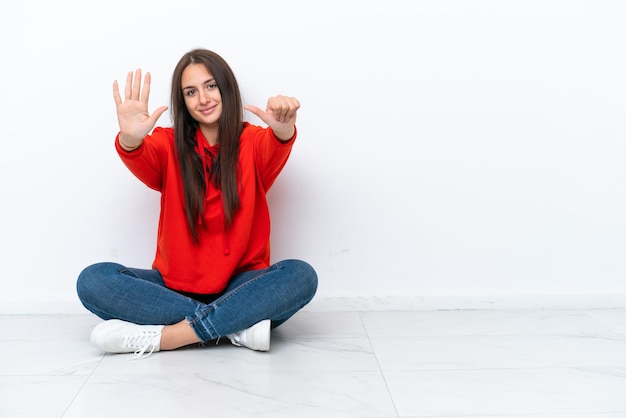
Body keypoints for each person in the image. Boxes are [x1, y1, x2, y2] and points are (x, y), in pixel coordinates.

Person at [76, 48, 318, 358]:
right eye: (191, 92)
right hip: (172, 288)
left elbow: (278, 140)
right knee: (93, 280)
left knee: (301, 276)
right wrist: (131, 138)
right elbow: (138, 154)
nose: (203, 98)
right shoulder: (167, 144)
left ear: (226, 87)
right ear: (184, 102)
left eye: (211, 85)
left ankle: (173, 336)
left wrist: (283, 126)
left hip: (241, 287)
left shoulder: (253, 143)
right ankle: (236, 326)